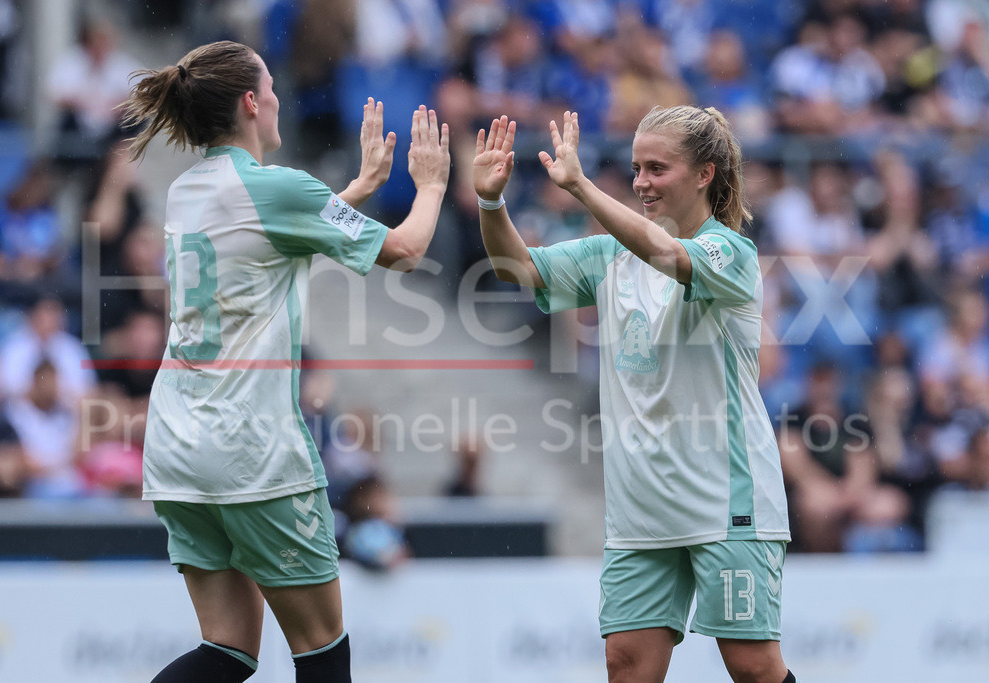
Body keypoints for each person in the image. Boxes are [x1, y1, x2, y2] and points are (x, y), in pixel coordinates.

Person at [120, 40, 450, 683]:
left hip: (177, 447)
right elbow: (406, 250)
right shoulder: (277, 189)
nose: (276, 98)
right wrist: (432, 184)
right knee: (324, 651)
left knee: (226, 649)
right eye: (269, 86)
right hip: (252, 451)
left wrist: (358, 189)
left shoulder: (187, 190)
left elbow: (274, 232)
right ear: (251, 102)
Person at [472, 106, 795, 683]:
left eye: (657, 168)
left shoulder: (731, 253)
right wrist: (491, 203)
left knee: (752, 667)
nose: (642, 181)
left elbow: (667, 255)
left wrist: (581, 187)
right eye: (636, 168)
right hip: (639, 507)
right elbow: (514, 268)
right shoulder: (607, 256)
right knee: (626, 666)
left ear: (705, 174)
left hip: (726, 501)